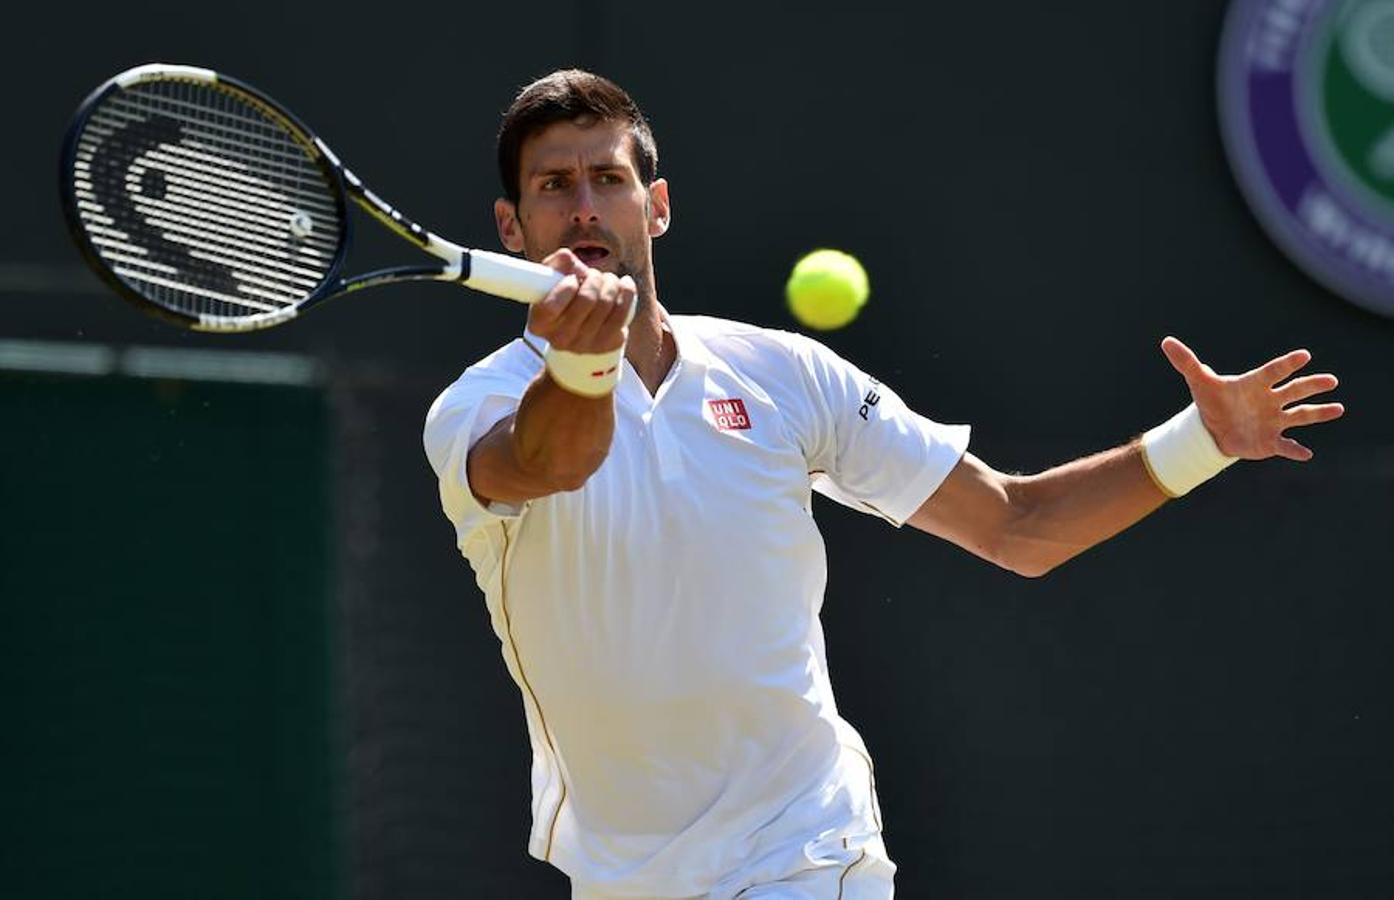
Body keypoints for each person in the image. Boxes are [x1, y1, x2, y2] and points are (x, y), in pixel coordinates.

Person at [422, 69, 1344, 900]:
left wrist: (1204, 440)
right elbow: (550, 460)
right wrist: (583, 364)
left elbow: (1018, 525)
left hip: (805, 853)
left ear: (655, 207)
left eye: (608, 180)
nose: (585, 210)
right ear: (512, 229)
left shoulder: (784, 375)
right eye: (554, 187)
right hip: (624, 877)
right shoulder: (474, 409)